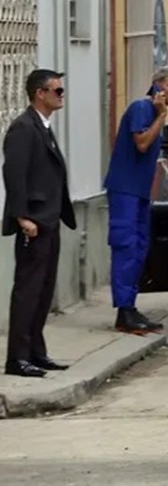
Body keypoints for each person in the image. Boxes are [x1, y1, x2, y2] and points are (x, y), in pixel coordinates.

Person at [4, 70, 74, 378]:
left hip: (49, 218)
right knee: (28, 289)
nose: (61, 95)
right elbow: (14, 175)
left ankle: (36, 350)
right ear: (39, 93)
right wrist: (22, 217)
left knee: (44, 289)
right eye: (57, 90)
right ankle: (17, 358)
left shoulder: (42, 126)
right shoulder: (23, 128)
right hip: (33, 220)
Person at [104, 65, 168, 334]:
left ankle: (130, 305)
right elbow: (141, 143)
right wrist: (161, 116)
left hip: (139, 191)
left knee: (140, 246)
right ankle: (123, 309)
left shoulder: (154, 112)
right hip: (124, 189)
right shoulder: (142, 108)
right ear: (158, 86)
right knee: (125, 246)